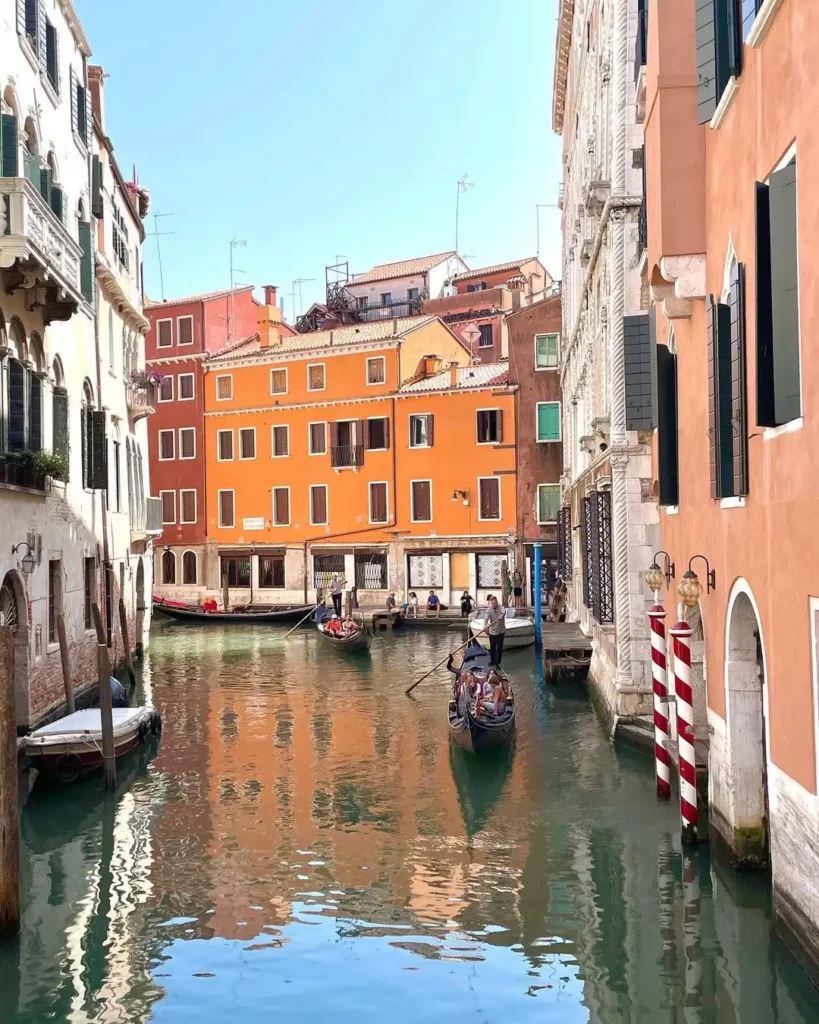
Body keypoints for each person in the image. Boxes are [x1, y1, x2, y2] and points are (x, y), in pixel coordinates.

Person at [483, 594, 506, 667]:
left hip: (500, 631)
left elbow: (504, 612)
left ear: (497, 602)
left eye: (494, 603)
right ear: (490, 603)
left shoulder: (501, 607)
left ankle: (498, 663)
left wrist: (501, 616)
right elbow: (486, 618)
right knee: (492, 647)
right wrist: (485, 626)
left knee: (499, 648)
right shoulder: (489, 610)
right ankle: (492, 660)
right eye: (491, 603)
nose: (493, 604)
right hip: (492, 631)